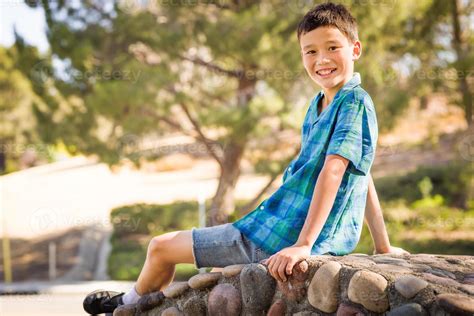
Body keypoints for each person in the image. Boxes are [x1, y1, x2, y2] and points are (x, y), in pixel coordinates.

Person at [83, 2, 408, 314]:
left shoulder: (354, 101)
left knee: (160, 248)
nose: (322, 59)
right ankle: (132, 305)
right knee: (187, 262)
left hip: (279, 236)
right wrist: (382, 246)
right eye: (310, 51)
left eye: (332, 47)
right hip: (270, 224)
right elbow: (361, 173)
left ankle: (124, 305)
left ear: (355, 49)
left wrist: (302, 245)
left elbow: (335, 172)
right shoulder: (319, 105)